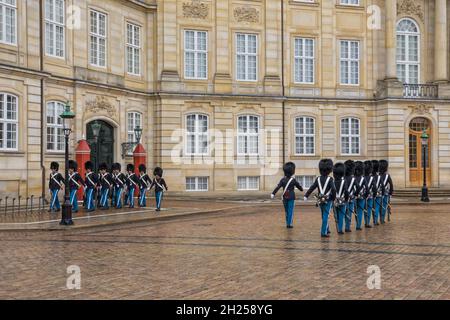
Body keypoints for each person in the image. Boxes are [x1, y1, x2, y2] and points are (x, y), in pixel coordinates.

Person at [304, 159, 336, 238]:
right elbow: (334, 189)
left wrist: (306, 195)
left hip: (320, 200)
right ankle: (323, 232)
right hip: (328, 200)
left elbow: (312, 187)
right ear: (329, 169)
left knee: (323, 215)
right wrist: (333, 198)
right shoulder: (330, 179)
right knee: (326, 215)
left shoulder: (318, 179)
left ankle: (327, 229)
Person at [270, 162, 304, 229]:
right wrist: (300, 187)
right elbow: (300, 188)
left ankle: (287, 222)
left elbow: (278, 187)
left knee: (286, 210)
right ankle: (289, 224)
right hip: (291, 197)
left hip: (284, 197)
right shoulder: (293, 180)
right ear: (292, 171)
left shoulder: (282, 180)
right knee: (290, 210)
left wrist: (273, 193)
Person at [333, 162, 349, 235]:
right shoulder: (343, 181)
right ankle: (340, 229)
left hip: (335, 201)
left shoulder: (333, 181)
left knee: (337, 215)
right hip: (342, 200)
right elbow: (346, 191)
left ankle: (339, 229)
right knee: (341, 216)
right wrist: (346, 199)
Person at [379, 160, 394, 224]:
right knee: (384, 206)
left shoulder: (377, 175)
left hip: (378, 192)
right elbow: (391, 184)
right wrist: (390, 192)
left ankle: (379, 218)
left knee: (379, 206)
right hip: (385, 192)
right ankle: (382, 219)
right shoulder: (387, 176)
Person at [354, 161, 367, 231]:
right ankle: (358, 225)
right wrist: (365, 196)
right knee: (360, 212)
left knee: (354, 211)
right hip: (361, 196)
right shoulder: (363, 178)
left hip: (353, 196)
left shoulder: (352, 178)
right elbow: (367, 188)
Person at [344, 160, 357, 233]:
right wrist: (355, 194)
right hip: (351, 197)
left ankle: (341, 227)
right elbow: (357, 188)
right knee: (349, 213)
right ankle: (347, 227)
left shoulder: (342, 178)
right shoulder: (353, 179)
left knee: (343, 212)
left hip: (343, 197)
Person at [371, 160, 383, 226]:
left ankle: (374, 219)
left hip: (371, 194)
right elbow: (383, 186)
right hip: (378, 194)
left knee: (372, 207)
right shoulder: (379, 177)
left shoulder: (369, 177)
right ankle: (375, 220)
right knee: (377, 207)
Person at [363, 160, 374, 228]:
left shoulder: (362, 177)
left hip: (362, 195)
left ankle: (360, 223)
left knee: (362, 209)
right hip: (369, 195)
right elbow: (374, 187)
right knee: (369, 209)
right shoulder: (371, 178)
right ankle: (367, 222)